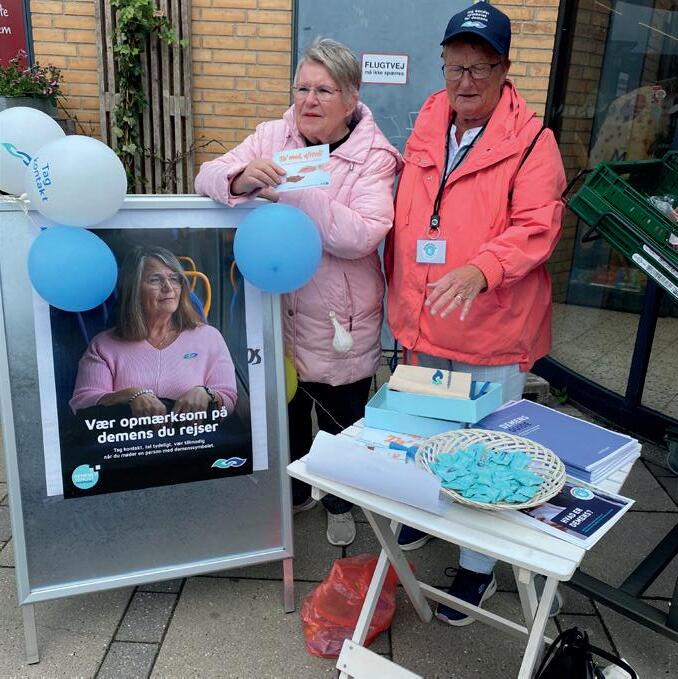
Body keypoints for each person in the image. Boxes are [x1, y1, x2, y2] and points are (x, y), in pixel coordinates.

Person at [385, 3, 566, 625]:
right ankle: (429, 512)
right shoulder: (428, 120)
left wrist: (482, 267)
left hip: (490, 330)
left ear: (504, 69)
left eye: (479, 68)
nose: (464, 81)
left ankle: (477, 566)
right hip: (423, 321)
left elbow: (538, 226)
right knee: (425, 432)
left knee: (488, 453)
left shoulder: (534, 142)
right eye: (454, 66)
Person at [195, 38, 402, 547]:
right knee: (286, 415)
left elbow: (361, 235)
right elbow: (206, 175)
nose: (309, 100)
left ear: (350, 98)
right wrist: (238, 178)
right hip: (278, 316)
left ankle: (339, 502)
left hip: (338, 322)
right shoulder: (272, 134)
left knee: (341, 421)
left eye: (324, 90)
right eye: (302, 88)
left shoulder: (374, 155)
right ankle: (295, 494)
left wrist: (293, 191)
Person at [70, 245, 238, 417]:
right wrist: (129, 395)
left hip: (194, 434)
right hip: (127, 434)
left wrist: (207, 394)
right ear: (134, 290)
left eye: (174, 279)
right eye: (155, 280)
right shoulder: (103, 345)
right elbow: (82, 403)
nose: (169, 287)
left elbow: (229, 399)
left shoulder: (209, 337)